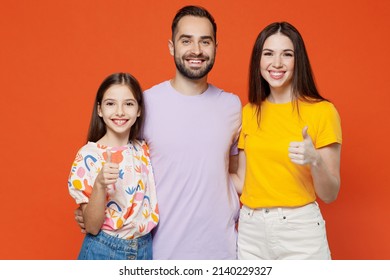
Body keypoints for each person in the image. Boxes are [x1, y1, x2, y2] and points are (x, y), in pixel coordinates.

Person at [75, 6, 242, 259]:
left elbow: (231, 172)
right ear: (171, 46)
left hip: (221, 250)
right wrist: (90, 209)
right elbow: (110, 155)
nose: (196, 50)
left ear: (216, 47)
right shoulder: (144, 104)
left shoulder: (232, 106)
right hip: (159, 252)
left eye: (204, 41)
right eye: (186, 40)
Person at [232, 22, 342, 260]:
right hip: (251, 230)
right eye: (269, 53)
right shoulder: (249, 112)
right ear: (258, 60)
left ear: (298, 60)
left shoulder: (322, 112)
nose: (277, 63)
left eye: (287, 54)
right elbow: (243, 180)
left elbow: (330, 193)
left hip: (299, 231)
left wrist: (315, 161)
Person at [68, 72, 159, 260]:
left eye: (128, 104)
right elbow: (92, 226)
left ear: (139, 110)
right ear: (100, 110)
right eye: (111, 104)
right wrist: (100, 185)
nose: (120, 111)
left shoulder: (143, 149)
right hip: (103, 248)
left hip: (144, 248)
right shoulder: (89, 156)